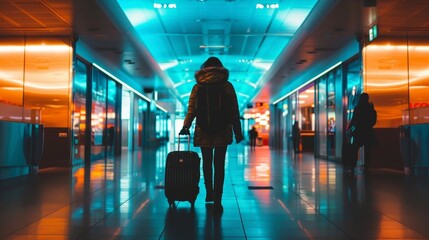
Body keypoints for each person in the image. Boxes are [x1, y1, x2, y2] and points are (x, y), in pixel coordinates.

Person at [179, 57, 243, 213]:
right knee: (219, 164)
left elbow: (192, 109)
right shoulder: (227, 86)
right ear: (220, 69)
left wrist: (186, 125)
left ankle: (209, 192)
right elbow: (234, 110)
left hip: (203, 129)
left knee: (206, 163)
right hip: (223, 130)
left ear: (203, 69)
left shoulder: (198, 86)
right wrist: (238, 131)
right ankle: (218, 200)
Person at [348, 92, 377, 172]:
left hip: (358, 132)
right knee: (367, 150)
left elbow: (354, 120)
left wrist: (350, 128)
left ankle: (352, 165)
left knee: (354, 149)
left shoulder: (358, 108)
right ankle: (367, 166)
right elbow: (374, 121)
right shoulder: (371, 109)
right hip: (368, 132)